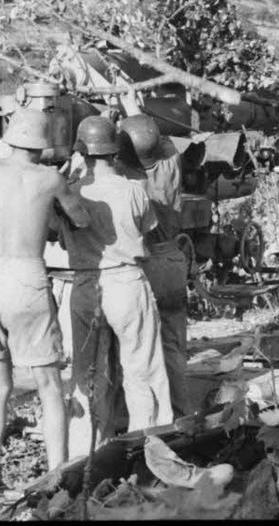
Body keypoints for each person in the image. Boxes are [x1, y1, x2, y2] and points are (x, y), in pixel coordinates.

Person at [0, 108, 91, 499]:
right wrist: (73, 184)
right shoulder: (50, 178)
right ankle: (57, 477)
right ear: (45, 143)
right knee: (49, 385)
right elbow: (80, 220)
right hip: (24, 278)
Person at [61, 115, 173, 459]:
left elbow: (62, 239)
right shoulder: (133, 190)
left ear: (82, 150)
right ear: (114, 150)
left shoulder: (70, 192)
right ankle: (149, 450)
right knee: (143, 369)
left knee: (86, 375)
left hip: (84, 284)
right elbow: (148, 230)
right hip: (126, 282)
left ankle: (86, 454)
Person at [118, 113, 191, 419]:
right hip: (173, 261)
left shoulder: (125, 180)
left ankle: (146, 415)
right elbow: (160, 139)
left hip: (145, 265)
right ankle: (181, 410)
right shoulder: (172, 163)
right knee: (174, 344)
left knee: (142, 348)